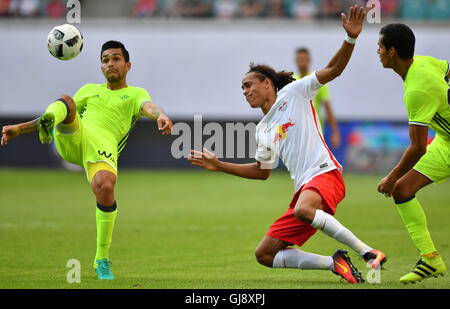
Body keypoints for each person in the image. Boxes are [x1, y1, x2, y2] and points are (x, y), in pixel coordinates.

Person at [189, 5, 386, 284]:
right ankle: (334, 263)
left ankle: (369, 254)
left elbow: (334, 69)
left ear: (267, 83)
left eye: (248, 85)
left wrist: (351, 38)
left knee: (303, 211)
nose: (245, 91)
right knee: (265, 254)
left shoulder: (295, 92)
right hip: (304, 191)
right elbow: (262, 172)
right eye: (242, 88)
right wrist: (219, 165)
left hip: (325, 174)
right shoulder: (263, 129)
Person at [1, 40, 173, 280]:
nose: (110, 64)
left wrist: (161, 115)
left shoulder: (135, 94)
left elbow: (149, 106)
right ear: (101, 67)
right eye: (105, 60)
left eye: (115, 59)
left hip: (102, 147)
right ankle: (48, 126)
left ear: (128, 65)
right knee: (67, 101)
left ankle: (101, 259)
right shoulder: (90, 89)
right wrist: (19, 128)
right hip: (75, 136)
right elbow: (64, 108)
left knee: (105, 186)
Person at [376, 23, 449, 284]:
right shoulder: (424, 62)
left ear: (392, 51)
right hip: (445, 143)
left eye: (380, 47)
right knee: (403, 190)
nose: (378, 52)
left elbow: (417, 147)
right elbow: (448, 69)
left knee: (396, 184)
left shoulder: (417, 90)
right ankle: (431, 259)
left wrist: (391, 176)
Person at [293, 48, 341, 149]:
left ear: (309, 60)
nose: (302, 61)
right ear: (296, 61)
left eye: (304, 58)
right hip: (295, 132)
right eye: (299, 59)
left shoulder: (318, 80)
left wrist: (335, 132)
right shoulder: (291, 81)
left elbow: (327, 107)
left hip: (315, 131)